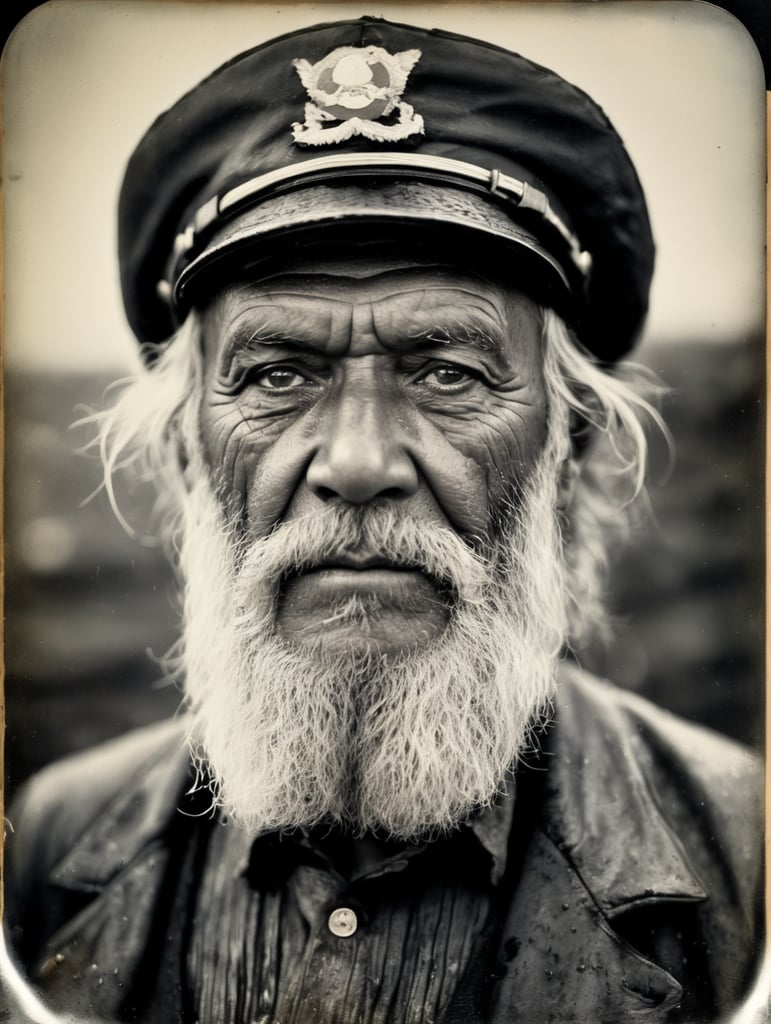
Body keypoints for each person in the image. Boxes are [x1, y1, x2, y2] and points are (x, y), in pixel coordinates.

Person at [3, 16, 762, 1024]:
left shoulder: (748, 851)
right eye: (279, 374)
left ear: (566, 447)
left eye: (447, 372)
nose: (358, 465)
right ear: (187, 452)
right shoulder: (50, 841)